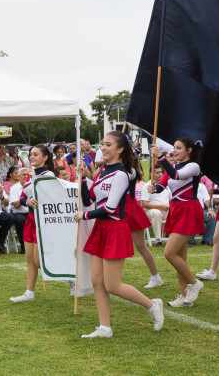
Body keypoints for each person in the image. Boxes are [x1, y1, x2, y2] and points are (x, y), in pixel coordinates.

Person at [75, 131, 164, 338]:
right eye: (102, 144)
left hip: (115, 229)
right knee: (97, 280)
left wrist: (84, 215)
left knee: (112, 285)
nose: (103, 148)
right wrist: (82, 181)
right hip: (100, 229)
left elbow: (110, 208)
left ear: (120, 149)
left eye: (108, 144)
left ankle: (152, 305)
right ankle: (105, 327)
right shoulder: (101, 172)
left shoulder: (122, 174)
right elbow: (90, 201)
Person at [149, 137, 206, 307]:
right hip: (176, 210)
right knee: (180, 257)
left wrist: (160, 157)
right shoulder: (173, 166)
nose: (175, 151)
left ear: (189, 150)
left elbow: (176, 176)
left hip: (188, 210)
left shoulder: (193, 166)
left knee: (169, 253)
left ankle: (193, 284)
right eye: (174, 147)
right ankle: (185, 297)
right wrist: (154, 187)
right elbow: (163, 185)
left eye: (179, 148)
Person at [10, 144, 55, 302]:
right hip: (30, 218)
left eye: (36, 154)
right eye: (30, 154)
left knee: (38, 260)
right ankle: (29, 292)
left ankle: (67, 275)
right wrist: (27, 200)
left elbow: (46, 194)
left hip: (42, 219)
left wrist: (33, 175)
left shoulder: (48, 174)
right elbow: (22, 197)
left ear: (45, 157)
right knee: (29, 258)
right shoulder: (30, 175)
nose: (32, 157)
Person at [124, 153, 162, 288]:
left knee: (140, 246)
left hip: (131, 210)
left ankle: (156, 276)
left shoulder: (130, 172)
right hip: (121, 210)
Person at [140, 164, 170, 248]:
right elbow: (144, 204)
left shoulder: (166, 186)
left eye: (161, 172)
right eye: (157, 172)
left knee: (175, 212)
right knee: (156, 213)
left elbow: (171, 201)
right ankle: (158, 240)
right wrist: (160, 207)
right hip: (151, 211)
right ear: (151, 174)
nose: (160, 174)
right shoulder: (147, 186)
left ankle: (173, 239)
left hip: (165, 210)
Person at [8, 167, 29, 254]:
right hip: (18, 213)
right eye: (24, 174)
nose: (26, 176)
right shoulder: (14, 188)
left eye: (28, 174)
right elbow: (16, 205)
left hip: (31, 212)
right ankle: (24, 247)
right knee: (21, 221)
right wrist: (24, 197)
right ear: (19, 176)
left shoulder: (33, 186)